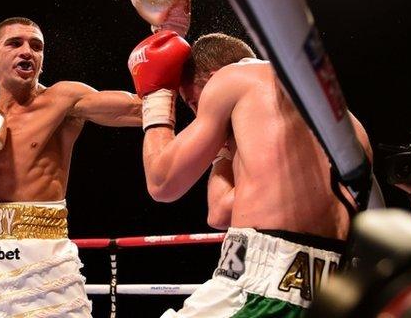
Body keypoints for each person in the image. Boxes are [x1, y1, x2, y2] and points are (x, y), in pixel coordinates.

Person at [128, 31, 373, 317]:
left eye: (193, 102)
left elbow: (161, 183)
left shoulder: (232, 78)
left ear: (214, 78)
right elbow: (219, 213)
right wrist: (222, 147)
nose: (197, 114)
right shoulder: (345, 120)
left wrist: (156, 100)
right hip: (331, 296)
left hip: (261, 288)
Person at [0, 17, 142, 318]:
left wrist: (167, 73)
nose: (27, 51)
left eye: (36, 46)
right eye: (15, 43)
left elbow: (139, 110)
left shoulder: (63, 99)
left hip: (41, 255)